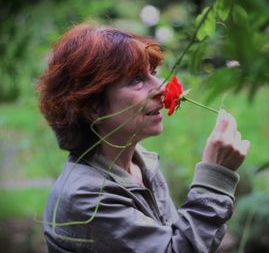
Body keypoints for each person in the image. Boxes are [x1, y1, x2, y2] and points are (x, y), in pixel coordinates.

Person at [37, 23, 250, 253]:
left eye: (153, 73)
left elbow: (173, 239)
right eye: (136, 79)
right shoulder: (85, 198)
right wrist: (214, 177)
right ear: (92, 106)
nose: (162, 87)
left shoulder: (143, 165)